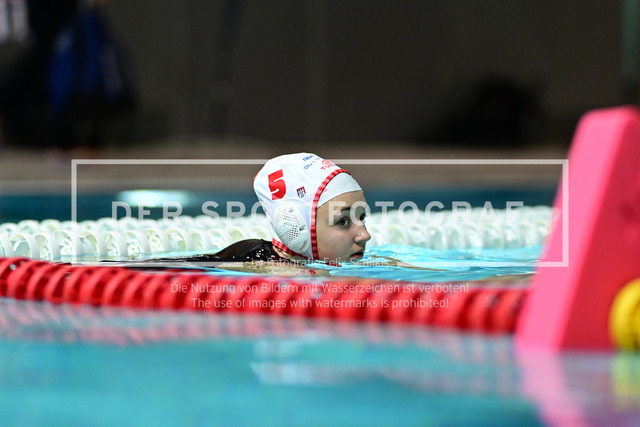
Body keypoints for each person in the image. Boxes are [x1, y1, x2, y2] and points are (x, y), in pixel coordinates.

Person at [131, 152, 371, 272]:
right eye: (343, 221)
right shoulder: (254, 263)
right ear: (295, 226)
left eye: (361, 217)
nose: (365, 235)